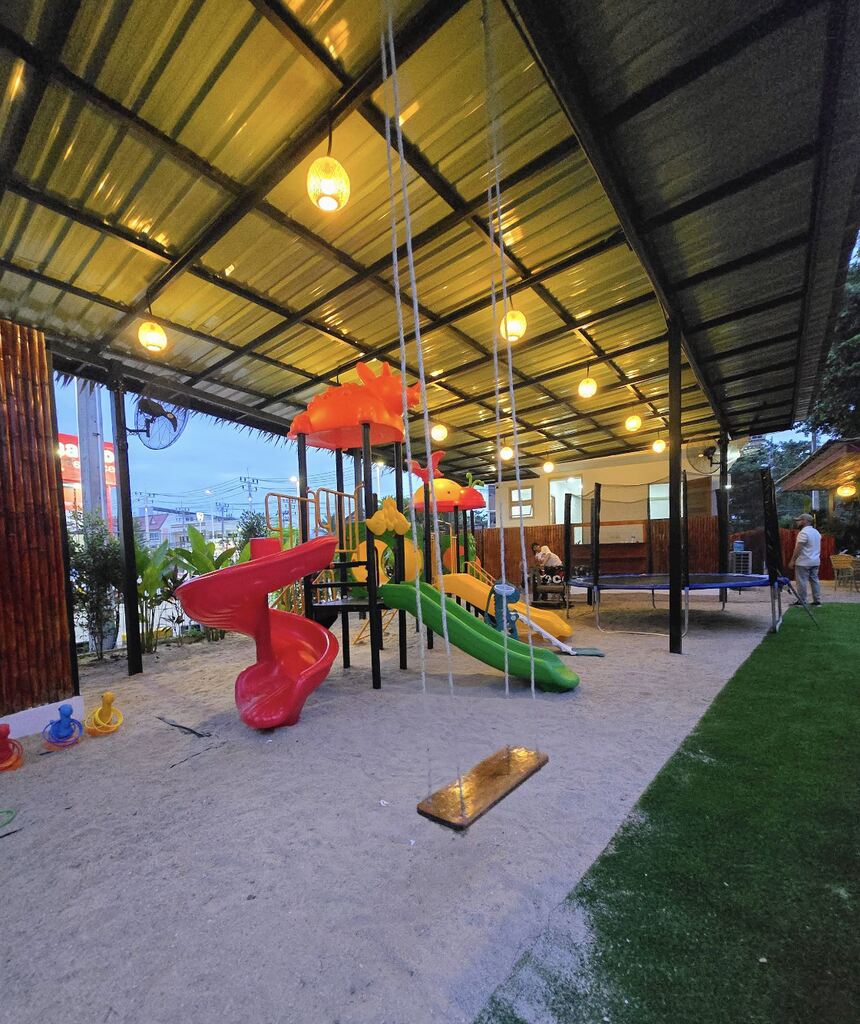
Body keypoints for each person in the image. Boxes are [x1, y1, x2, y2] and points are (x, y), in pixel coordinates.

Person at [789, 512, 822, 606]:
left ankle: (802, 601)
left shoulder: (803, 533)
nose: (797, 522)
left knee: (801, 582)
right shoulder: (816, 532)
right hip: (815, 561)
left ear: (804, 521)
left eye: (799, 520)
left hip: (804, 561)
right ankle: (817, 601)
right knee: (815, 581)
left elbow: (798, 548)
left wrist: (792, 560)